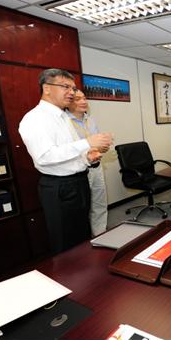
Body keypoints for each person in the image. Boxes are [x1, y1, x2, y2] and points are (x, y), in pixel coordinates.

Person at [19, 69, 113, 254]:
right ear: (47, 88)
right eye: (65, 87)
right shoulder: (35, 119)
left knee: (80, 236)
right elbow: (45, 157)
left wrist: (87, 158)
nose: (71, 92)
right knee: (65, 242)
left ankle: (86, 278)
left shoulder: (62, 117)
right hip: (60, 187)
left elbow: (66, 153)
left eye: (73, 87)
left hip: (78, 182)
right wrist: (86, 143)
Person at [66, 91, 109, 237]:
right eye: (78, 99)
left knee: (99, 203)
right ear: (69, 101)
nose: (84, 101)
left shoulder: (90, 120)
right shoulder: (65, 122)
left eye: (84, 98)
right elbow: (68, 150)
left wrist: (104, 145)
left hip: (96, 166)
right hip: (80, 170)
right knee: (82, 206)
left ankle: (100, 234)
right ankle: (84, 238)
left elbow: (98, 143)